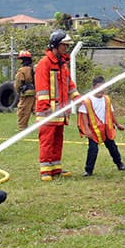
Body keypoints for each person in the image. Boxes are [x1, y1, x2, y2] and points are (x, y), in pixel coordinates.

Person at [35, 29, 80, 181]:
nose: (66, 48)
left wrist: (76, 97)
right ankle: (45, 170)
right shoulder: (44, 63)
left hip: (60, 112)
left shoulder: (62, 65)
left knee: (57, 141)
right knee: (47, 141)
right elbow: (42, 88)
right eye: (63, 45)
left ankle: (55, 168)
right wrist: (45, 107)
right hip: (48, 112)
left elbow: (69, 85)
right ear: (55, 45)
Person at [77, 76, 125, 176]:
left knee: (113, 147)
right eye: (99, 87)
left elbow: (111, 113)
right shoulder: (87, 101)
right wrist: (87, 130)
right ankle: (88, 170)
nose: (102, 90)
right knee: (93, 150)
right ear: (93, 88)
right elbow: (84, 116)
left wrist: (117, 124)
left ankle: (119, 163)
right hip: (94, 131)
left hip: (106, 129)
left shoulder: (107, 99)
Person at [14, 49, 36, 130]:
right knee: (35, 109)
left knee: (23, 110)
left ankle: (22, 127)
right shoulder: (32, 69)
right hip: (34, 92)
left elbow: (18, 83)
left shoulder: (22, 70)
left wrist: (18, 91)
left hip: (26, 93)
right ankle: (45, 125)